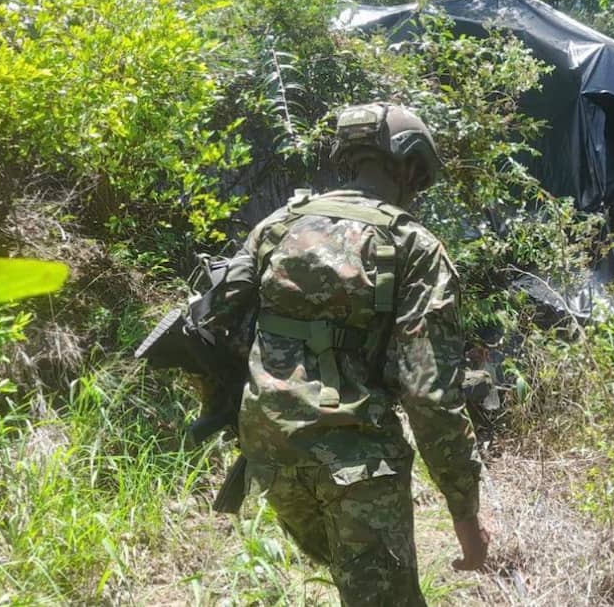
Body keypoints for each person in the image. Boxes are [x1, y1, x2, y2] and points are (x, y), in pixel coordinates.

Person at [207, 102, 489, 606]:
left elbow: (218, 325)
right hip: (356, 466)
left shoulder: (277, 226)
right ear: (407, 166)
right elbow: (430, 393)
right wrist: (464, 515)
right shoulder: (413, 246)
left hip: (270, 454)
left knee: (355, 582)